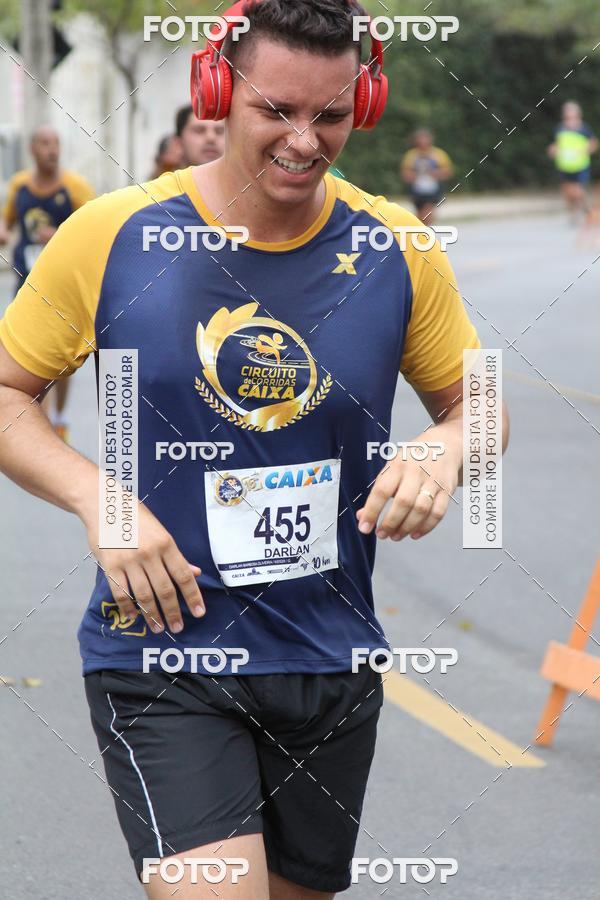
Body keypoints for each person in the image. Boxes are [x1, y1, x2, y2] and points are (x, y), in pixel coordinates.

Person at [0, 1, 508, 897]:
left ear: (369, 106)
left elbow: (481, 403)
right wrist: (101, 501)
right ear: (217, 89)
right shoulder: (117, 234)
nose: (305, 142)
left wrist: (445, 450)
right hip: (164, 655)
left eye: (333, 115)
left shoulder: (397, 245)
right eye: (277, 109)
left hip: (329, 658)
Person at [0, 124, 95, 441]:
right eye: (44, 143)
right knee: (27, 354)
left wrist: (58, 237)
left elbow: (94, 230)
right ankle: (39, 421)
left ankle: (60, 416)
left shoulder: (74, 187)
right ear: (32, 149)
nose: (51, 150)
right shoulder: (19, 186)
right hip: (26, 282)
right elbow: (8, 219)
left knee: (60, 359)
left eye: (55, 143)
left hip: (64, 288)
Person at [548, 101, 598, 221]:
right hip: (564, 165)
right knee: (567, 192)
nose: (568, 113)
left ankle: (587, 209)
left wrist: (586, 150)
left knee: (578, 190)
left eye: (571, 111)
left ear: (578, 113)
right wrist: (553, 150)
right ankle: (573, 214)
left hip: (580, 165)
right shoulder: (560, 128)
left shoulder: (583, 128)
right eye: (566, 111)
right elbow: (556, 145)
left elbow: (593, 143)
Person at [401, 128, 453, 224]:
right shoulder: (411, 155)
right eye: (421, 139)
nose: (423, 141)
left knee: (428, 212)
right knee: (420, 215)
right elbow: (405, 174)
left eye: (425, 138)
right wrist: (417, 175)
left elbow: (448, 172)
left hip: (433, 189)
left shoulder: (438, 154)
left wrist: (434, 174)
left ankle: (426, 232)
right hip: (417, 190)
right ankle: (421, 230)